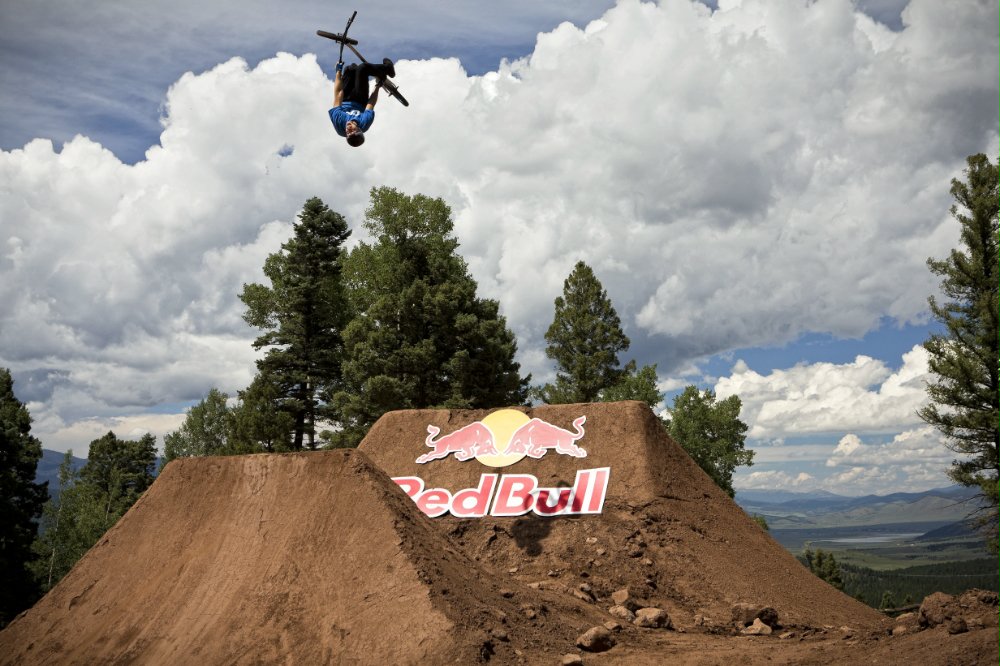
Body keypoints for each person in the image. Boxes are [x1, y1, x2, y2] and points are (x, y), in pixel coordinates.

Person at [329, 58, 395, 147]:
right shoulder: (365, 122)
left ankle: (378, 72)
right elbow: (371, 103)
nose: (348, 129)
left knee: (351, 68)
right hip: (360, 100)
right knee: (363, 68)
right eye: (352, 130)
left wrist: (338, 71)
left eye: (348, 133)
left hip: (344, 98)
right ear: (359, 129)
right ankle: (388, 69)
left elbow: (338, 93)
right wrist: (378, 86)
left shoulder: (339, 124)